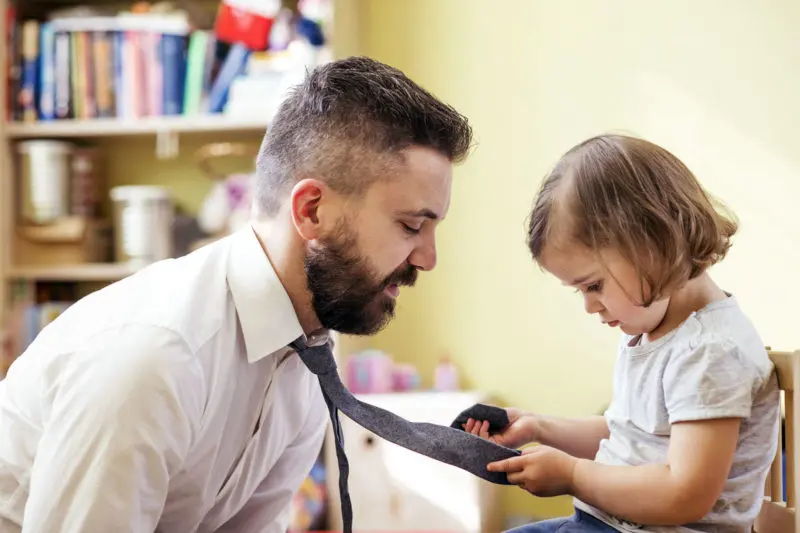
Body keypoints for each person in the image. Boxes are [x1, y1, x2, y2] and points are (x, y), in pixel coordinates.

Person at [0, 56, 472, 532]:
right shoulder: (154, 355)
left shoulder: (304, 358)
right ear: (312, 211)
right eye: (412, 225)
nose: (427, 259)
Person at [465, 134, 779, 532]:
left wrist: (574, 475)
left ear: (653, 245)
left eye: (593, 286)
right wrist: (538, 426)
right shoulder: (658, 334)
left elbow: (685, 492)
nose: (589, 306)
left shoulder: (710, 351)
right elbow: (627, 439)